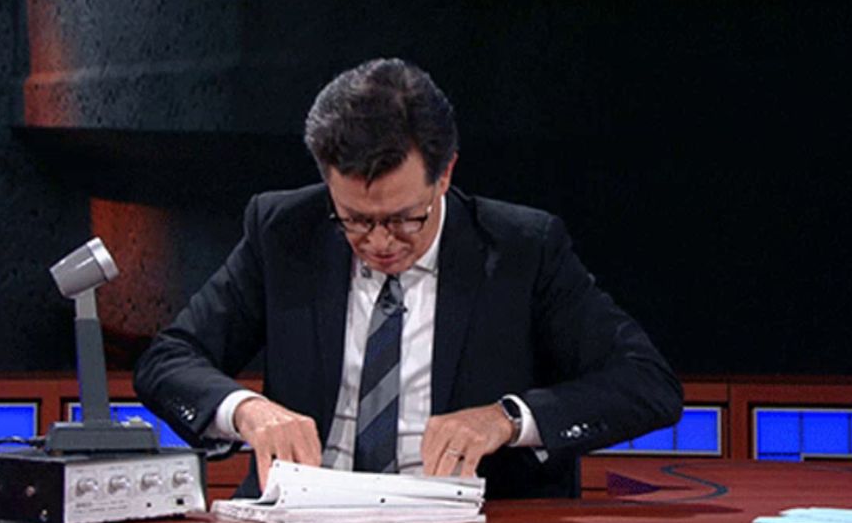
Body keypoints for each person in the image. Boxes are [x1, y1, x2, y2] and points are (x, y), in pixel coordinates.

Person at [134, 58, 683, 499]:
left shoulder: (522, 249)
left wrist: (508, 419)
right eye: (353, 218)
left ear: (445, 173)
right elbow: (168, 361)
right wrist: (247, 411)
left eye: (403, 219)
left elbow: (646, 382)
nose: (378, 242)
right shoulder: (283, 231)